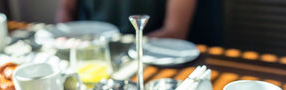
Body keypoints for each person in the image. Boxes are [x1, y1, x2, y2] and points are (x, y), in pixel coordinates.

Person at [55, 0, 197, 40]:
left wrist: (123, 47)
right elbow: (66, 9)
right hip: (87, 52)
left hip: (152, 57)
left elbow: (175, 31)